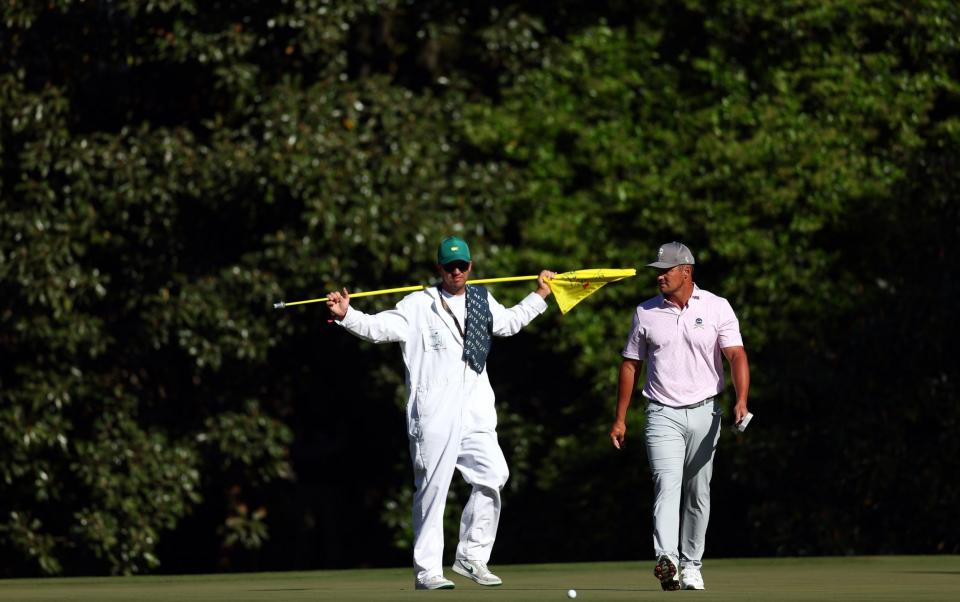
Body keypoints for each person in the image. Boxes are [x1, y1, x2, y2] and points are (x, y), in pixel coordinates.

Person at [326, 236, 555, 590]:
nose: (457, 271)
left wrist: (540, 295)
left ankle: (471, 556)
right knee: (433, 489)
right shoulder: (418, 304)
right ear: (439, 269)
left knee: (494, 475)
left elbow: (508, 323)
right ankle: (427, 570)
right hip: (432, 413)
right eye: (450, 267)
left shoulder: (481, 299)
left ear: (471, 266)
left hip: (476, 411)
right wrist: (348, 315)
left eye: (462, 265)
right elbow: (379, 328)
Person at [608, 241, 750, 591]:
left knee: (698, 492)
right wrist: (620, 418)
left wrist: (741, 400)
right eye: (656, 271)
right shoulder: (646, 312)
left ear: (686, 271)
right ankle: (667, 559)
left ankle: (691, 564)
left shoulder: (718, 307)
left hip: (705, 412)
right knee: (666, 485)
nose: (659, 276)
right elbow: (631, 364)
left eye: (665, 270)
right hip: (661, 413)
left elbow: (736, 356)